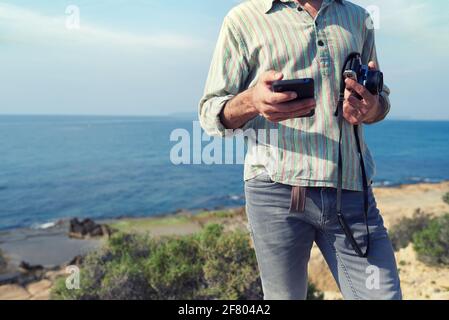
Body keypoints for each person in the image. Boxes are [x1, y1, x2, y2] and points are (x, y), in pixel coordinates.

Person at [199, 0, 402, 300]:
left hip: (351, 192)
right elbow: (210, 113)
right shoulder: (242, 19)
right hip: (274, 193)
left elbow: (379, 99)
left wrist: (370, 107)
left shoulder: (359, 18)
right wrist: (253, 100)